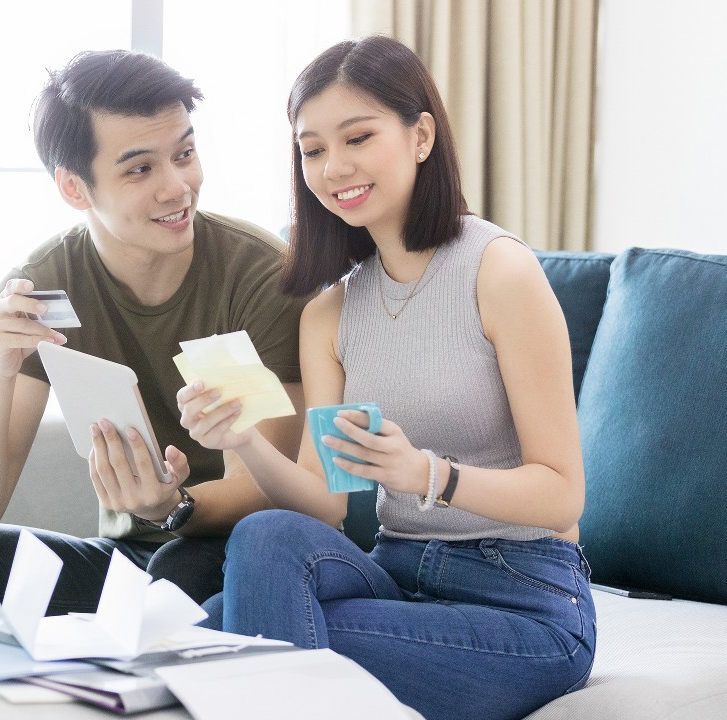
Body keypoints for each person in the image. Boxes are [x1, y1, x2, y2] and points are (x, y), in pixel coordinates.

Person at [176, 35, 595, 720]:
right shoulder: (330, 314)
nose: (334, 166)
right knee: (264, 539)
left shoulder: (499, 272)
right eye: (312, 150)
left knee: (234, 627)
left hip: (525, 602)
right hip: (396, 577)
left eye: (358, 137)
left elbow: (563, 494)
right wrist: (246, 439)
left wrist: (427, 474)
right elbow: (326, 505)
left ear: (421, 134)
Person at [0, 49, 307, 614]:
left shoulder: (257, 276)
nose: (177, 187)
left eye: (184, 154)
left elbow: (267, 492)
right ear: (74, 188)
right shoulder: (43, 289)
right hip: (128, 561)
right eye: (140, 169)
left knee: (183, 567)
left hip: (241, 552)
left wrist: (172, 507)